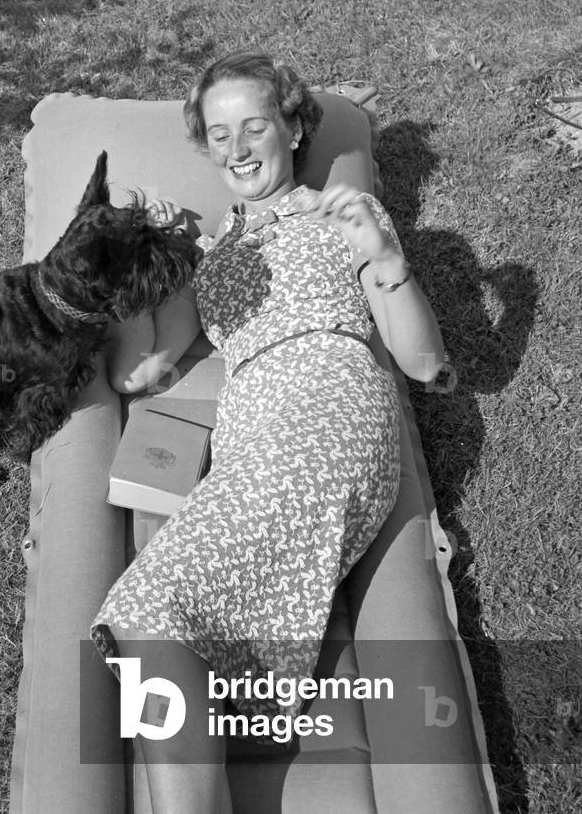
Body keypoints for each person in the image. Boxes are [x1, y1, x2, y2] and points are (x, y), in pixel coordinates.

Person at [91, 49, 446, 814]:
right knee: (150, 618)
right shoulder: (210, 260)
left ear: (293, 128)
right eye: (219, 136)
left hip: (326, 408)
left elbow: (421, 363)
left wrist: (382, 256)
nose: (238, 149)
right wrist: (134, 256)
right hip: (255, 439)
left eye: (255, 126)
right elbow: (137, 373)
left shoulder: (343, 212)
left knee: (147, 607)